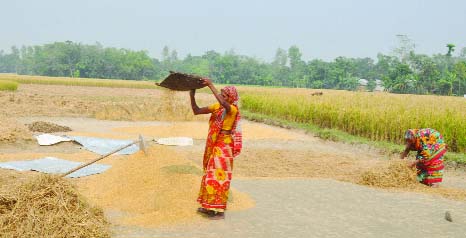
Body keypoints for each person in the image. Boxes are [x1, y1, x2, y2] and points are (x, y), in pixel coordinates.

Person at [189, 78, 242, 220]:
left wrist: (210, 85)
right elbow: (196, 111)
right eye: (222, 94)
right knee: (209, 176)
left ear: (231, 98)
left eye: (225, 95)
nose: (222, 97)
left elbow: (224, 104)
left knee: (218, 176)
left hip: (224, 146)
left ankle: (219, 210)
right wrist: (192, 94)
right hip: (215, 144)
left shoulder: (232, 110)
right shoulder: (217, 107)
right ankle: (209, 207)